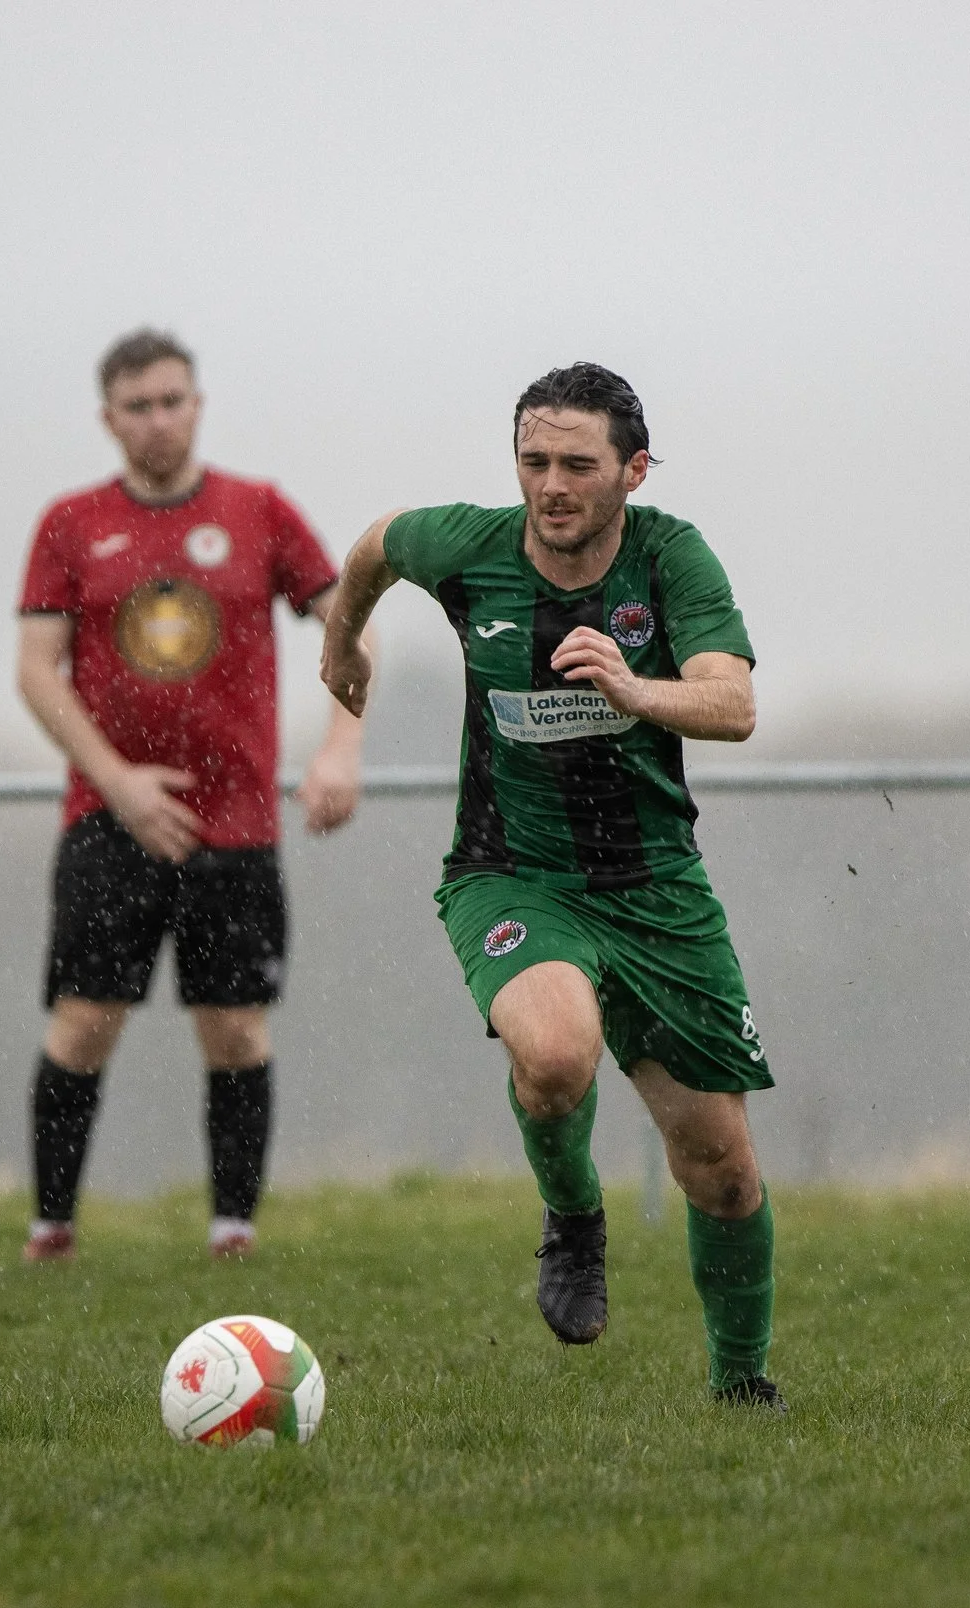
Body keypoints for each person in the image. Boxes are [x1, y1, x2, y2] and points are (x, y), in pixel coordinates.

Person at [317, 362, 782, 1407]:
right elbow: (374, 545)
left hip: (657, 889)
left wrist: (632, 686)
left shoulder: (670, 559)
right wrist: (343, 643)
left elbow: (734, 704)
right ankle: (573, 1219)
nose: (552, 484)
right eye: (534, 461)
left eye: (578, 463)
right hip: (511, 876)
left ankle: (741, 1384)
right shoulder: (470, 547)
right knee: (557, 1051)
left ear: (633, 470)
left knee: (721, 1167)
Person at [14, 330, 365, 1261]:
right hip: (108, 818)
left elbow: (349, 630)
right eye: (138, 405)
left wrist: (341, 748)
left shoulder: (259, 511)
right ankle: (52, 1228)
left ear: (198, 404)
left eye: (173, 400)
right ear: (109, 418)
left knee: (236, 1027)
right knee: (85, 1020)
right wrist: (118, 782)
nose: (158, 420)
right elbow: (37, 672)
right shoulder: (69, 524)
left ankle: (233, 1230)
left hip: (236, 822)